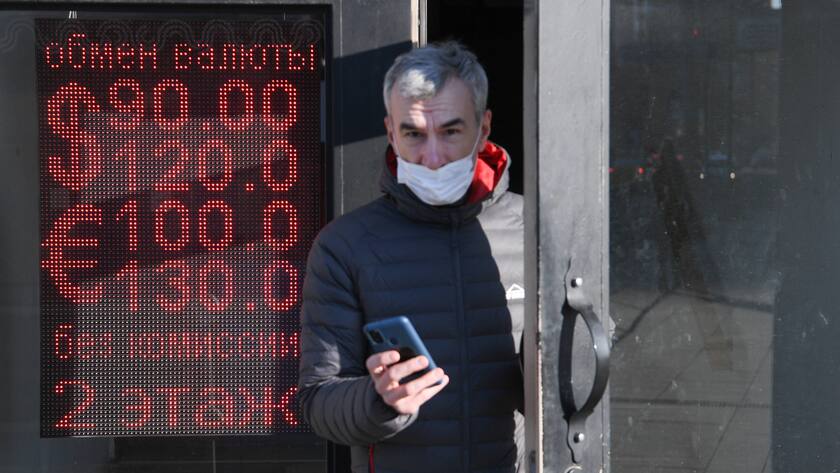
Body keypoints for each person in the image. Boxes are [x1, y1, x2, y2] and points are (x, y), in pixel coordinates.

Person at [298, 41, 525, 473]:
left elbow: (586, 383)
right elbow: (317, 400)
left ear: (484, 127)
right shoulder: (346, 245)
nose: (434, 158)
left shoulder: (536, 230)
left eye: (451, 131)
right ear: (390, 132)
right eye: (414, 134)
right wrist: (379, 399)